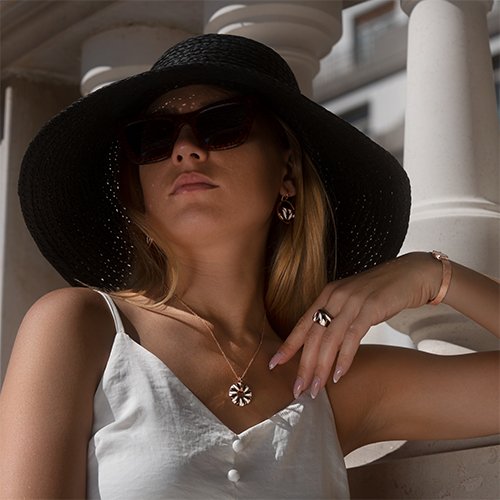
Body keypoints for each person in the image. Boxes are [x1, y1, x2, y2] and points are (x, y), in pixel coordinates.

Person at [0, 33, 498, 499]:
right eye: (153, 137)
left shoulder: (330, 381)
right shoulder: (82, 328)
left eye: (223, 124)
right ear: (138, 187)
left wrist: (432, 275)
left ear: (287, 171)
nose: (184, 149)